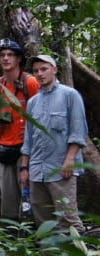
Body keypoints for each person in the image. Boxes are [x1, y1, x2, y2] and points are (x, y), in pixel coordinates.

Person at [20, 55, 86, 231]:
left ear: (54, 69)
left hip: (61, 169)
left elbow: (78, 131)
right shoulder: (33, 102)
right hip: (36, 171)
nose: (40, 74)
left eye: (44, 69)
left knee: (68, 220)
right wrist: (24, 168)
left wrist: (70, 160)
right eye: (35, 71)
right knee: (43, 221)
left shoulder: (69, 95)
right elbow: (29, 138)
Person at [0, 38, 39, 221]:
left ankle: (31, 240)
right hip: (4, 147)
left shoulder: (30, 83)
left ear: (18, 59)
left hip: (26, 149)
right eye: (2, 55)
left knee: (29, 198)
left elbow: (41, 112)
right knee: (8, 199)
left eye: (10, 55)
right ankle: (10, 241)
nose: (6, 58)